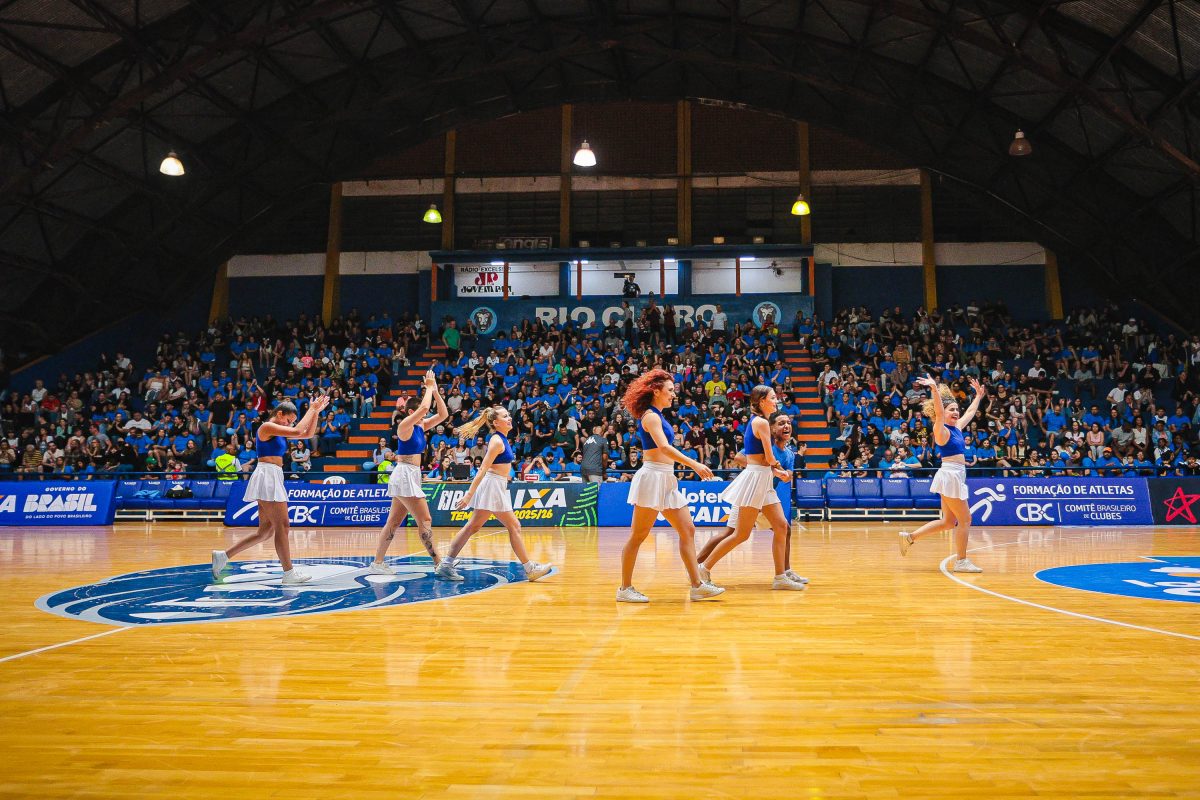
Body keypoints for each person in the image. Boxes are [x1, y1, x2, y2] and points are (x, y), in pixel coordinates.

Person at [616, 368, 723, 603]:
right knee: (638, 536)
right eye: (670, 390)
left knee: (688, 529)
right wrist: (694, 464)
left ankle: (697, 585)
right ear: (656, 391)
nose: (674, 394)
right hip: (652, 477)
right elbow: (664, 448)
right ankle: (624, 588)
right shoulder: (650, 416)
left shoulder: (659, 415)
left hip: (666, 478)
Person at [211, 395, 329, 585]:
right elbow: (299, 430)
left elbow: (307, 434)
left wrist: (316, 412)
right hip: (267, 475)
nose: (290, 424)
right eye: (288, 420)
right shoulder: (266, 427)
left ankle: (223, 556)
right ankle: (289, 573)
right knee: (283, 526)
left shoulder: (278, 430)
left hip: (273, 475)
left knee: (265, 531)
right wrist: (312, 409)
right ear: (280, 414)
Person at [698, 388, 806, 591]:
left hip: (762, 478)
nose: (776, 400)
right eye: (772, 398)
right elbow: (769, 457)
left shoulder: (758, 421)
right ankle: (703, 568)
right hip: (756, 479)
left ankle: (780, 576)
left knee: (782, 527)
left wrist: (776, 471)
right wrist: (779, 470)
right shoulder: (762, 423)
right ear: (762, 401)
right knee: (740, 534)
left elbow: (762, 459)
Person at [437, 407, 552, 582]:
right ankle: (530, 569)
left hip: (496, 484)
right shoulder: (497, 441)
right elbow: (482, 469)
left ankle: (446, 564)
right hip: (492, 485)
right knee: (514, 526)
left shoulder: (501, 439)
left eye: (509, 415)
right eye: (505, 416)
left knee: (472, 527)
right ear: (496, 423)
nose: (509, 418)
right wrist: (469, 495)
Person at [899, 377, 986, 573]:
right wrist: (934, 389)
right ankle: (961, 561)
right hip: (950, 475)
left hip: (954, 475)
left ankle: (909, 538)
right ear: (943, 413)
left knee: (948, 522)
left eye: (956, 409)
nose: (956, 412)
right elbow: (938, 412)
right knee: (965, 520)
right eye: (951, 409)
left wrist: (978, 396)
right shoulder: (941, 430)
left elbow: (970, 412)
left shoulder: (957, 428)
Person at [369, 370, 451, 575]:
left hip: (411, 474)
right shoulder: (404, 425)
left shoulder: (420, 426)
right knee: (425, 520)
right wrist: (428, 387)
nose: (426, 413)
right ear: (412, 412)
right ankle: (438, 563)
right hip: (404, 473)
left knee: (394, 521)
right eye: (422, 411)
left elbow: (443, 415)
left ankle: (377, 563)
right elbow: (425, 407)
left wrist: (436, 391)